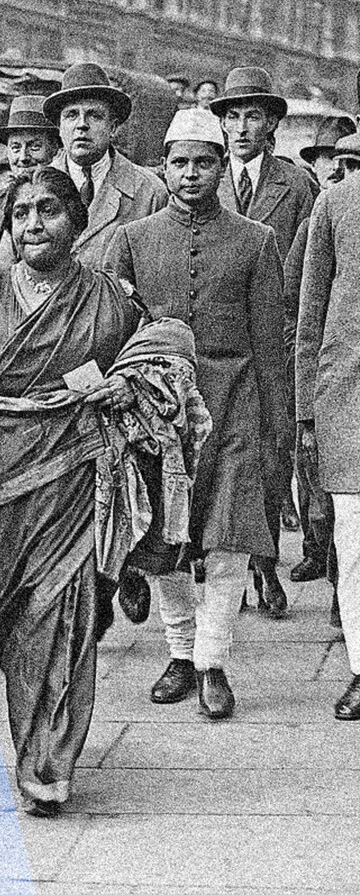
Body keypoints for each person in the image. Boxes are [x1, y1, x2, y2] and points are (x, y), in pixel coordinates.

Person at [0, 165, 194, 816]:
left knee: (64, 616)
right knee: (8, 623)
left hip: (77, 480)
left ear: (75, 220)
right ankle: (37, 737)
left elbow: (168, 348)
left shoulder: (110, 296)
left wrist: (127, 383)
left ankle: (47, 763)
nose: (34, 223)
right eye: (21, 213)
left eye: (49, 210)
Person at [106, 107, 286, 720]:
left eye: (203, 162)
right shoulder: (132, 240)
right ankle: (179, 652)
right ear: (165, 165)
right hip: (158, 412)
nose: (191, 174)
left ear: (220, 168)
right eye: (179, 162)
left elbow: (269, 343)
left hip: (234, 403)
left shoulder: (257, 241)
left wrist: (277, 429)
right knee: (164, 535)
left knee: (231, 536)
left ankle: (213, 660)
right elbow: (113, 337)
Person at [211, 66, 316, 608]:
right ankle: (217, 562)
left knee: (272, 458)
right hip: (222, 342)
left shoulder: (296, 185)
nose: (243, 126)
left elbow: (302, 268)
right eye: (233, 116)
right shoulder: (205, 177)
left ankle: (266, 563)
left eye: (254, 115)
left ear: (272, 123)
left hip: (274, 338)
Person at [296, 169, 360, 721]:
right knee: (355, 542)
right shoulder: (336, 205)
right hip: (351, 403)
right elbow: (309, 317)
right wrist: (306, 412)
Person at [284, 119, 357, 589]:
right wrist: (305, 407)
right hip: (344, 389)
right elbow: (305, 311)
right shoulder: (328, 211)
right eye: (344, 164)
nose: (345, 173)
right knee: (344, 520)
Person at [44, 63, 167, 268]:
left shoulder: (150, 192)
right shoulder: (33, 189)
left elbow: (156, 277)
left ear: (113, 127)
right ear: (59, 128)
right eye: (71, 115)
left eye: (95, 115)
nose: (82, 124)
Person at [0, 95, 61, 268]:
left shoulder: (65, 202)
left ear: (54, 148)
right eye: (15, 148)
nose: (23, 157)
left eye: (34, 147)